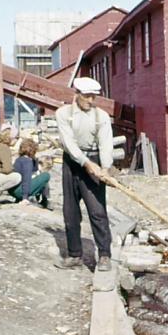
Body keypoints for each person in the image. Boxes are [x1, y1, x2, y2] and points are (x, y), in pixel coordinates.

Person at [55, 76, 114, 271]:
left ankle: (105, 255)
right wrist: (85, 163)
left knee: (97, 211)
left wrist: (105, 168)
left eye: (93, 97)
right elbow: (69, 144)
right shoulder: (63, 114)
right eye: (87, 97)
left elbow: (106, 143)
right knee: (70, 212)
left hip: (95, 160)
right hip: (72, 163)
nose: (91, 101)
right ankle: (74, 254)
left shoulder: (102, 117)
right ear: (77, 94)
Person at [9, 137, 51, 208]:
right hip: (20, 191)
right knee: (46, 176)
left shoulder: (19, 159)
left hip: (12, 190)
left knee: (39, 177)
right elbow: (26, 179)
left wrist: (35, 161)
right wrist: (25, 197)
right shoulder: (27, 162)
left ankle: (43, 200)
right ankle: (44, 199)